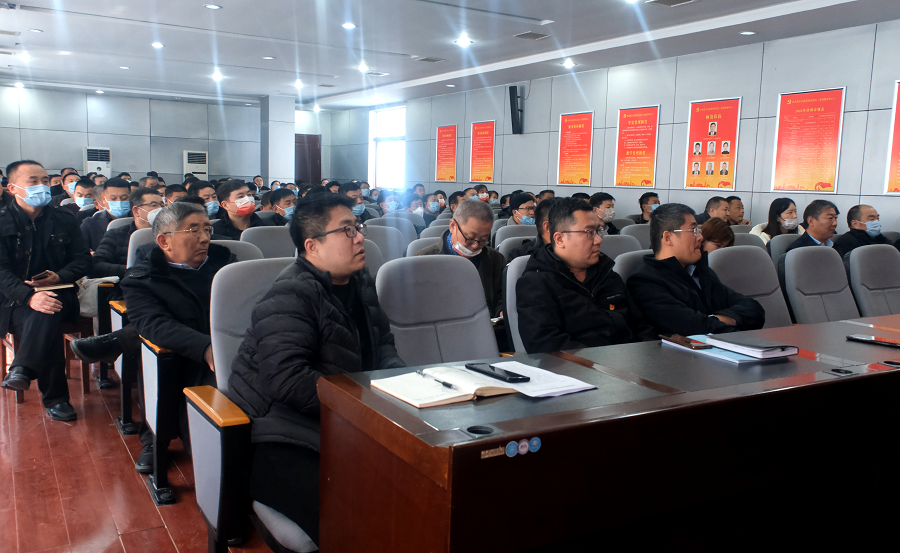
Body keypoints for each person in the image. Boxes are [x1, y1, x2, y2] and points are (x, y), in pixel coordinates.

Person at [227, 194, 405, 546]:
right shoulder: (290, 294)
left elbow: (383, 346)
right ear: (312, 246)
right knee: (354, 519)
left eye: (358, 227)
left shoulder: (360, 283)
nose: (360, 237)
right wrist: (363, 403)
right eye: (347, 230)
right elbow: (287, 380)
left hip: (347, 422)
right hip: (285, 435)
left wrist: (399, 385)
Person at [73, 202, 236, 472]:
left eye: (207, 229)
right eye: (193, 230)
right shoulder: (142, 277)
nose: (205, 237)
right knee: (155, 350)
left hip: (227, 348)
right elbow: (154, 324)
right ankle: (154, 439)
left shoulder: (229, 266)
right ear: (164, 241)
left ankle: (117, 341)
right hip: (189, 353)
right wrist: (206, 347)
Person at [0, 160, 92, 421]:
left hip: (60, 292)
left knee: (48, 306)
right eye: (33, 181)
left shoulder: (64, 219)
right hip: (12, 300)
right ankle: (56, 398)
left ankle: (22, 368)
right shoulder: (2, 222)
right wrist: (29, 296)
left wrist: (59, 276)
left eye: (44, 181)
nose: (42, 186)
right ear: (12, 188)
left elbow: (84, 261)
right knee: (45, 314)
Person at [516, 199, 657, 353]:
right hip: (581, 364)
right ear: (559, 239)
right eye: (589, 233)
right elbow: (547, 345)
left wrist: (648, 354)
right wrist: (606, 361)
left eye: (598, 231)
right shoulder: (536, 283)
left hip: (630, 358)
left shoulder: (607, 274)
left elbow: (641, 326)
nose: (598, 240)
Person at [627, 203, 765, 336]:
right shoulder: (645, 282)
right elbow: (693, 327)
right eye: (693, 231)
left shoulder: (701, 272)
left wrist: (713, 319)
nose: (700, 237)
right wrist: (725, 321)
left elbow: (754, 309)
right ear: (668, 238)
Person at [415, 199, 505, 317]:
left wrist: (501, 311)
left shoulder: (496, 259)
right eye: (470, 238)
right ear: (453, 226)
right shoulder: (423, 261)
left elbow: (502, 297)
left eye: (483, 240)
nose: (475, 246)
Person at [92, 188, 163, 279]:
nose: (160, 209)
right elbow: (97, 264)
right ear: (136, 211)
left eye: (162, 205)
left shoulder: (170, 234)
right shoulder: (116, 235)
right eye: (154, 205)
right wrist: (135, 271)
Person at [211, 180, 277, 240]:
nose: (247, 199)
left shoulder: (268, 227)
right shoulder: (215, 232)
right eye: (240, 196)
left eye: (249, 195)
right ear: (225, 205)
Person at [81, 177, 132, 251]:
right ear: (104, 199)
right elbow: (81, 249)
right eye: (113, 199)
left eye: (124, 198)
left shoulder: (139, 221)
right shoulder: (90, 224)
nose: (119, 202)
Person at [506, 197, 558, 262]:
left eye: (533, 208)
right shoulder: (519, 256)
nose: (532, 212)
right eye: (527, 208)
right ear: (547, 226)